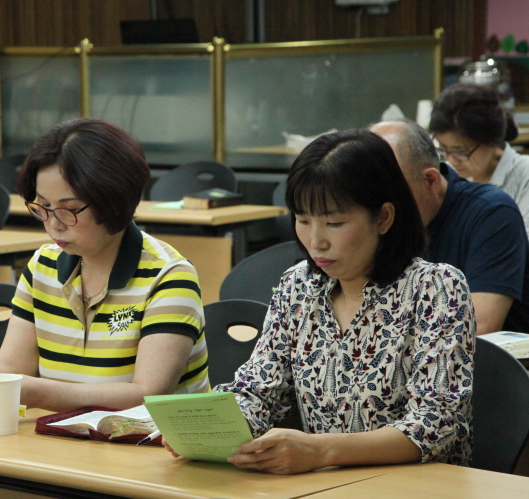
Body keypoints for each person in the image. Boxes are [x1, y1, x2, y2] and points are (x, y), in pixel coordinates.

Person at [166, 130, 474, 475]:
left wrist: (321, 451)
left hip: (415, 485)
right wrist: (209, 429)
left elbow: (435, 424)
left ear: (384, 218)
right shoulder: (299, 285)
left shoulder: (435, 288)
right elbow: (259, 391)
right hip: (320, 483)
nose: (315, 241)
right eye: (302, 220)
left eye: (334, 223)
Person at [0, 118, 209, 415]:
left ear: (115, 200)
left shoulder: (168, 276)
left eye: (70, 209)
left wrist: (37, 392)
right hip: (63, 436)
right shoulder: (43, 266)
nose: (53, 224)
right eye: (44, 207)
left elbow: (148, 394)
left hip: (156, 443)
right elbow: (12, 367)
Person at [372, 119, 529, 334]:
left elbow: (480, 325)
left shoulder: (491, 213)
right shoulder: (373, 220)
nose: (381, 210)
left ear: (430, 180)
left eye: (391, 194)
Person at [428, 83, 529, 239]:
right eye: (443, 148)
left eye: (461, 151)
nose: (451, 160)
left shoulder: (524, 175)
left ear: (491, 141)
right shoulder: (445, 177)